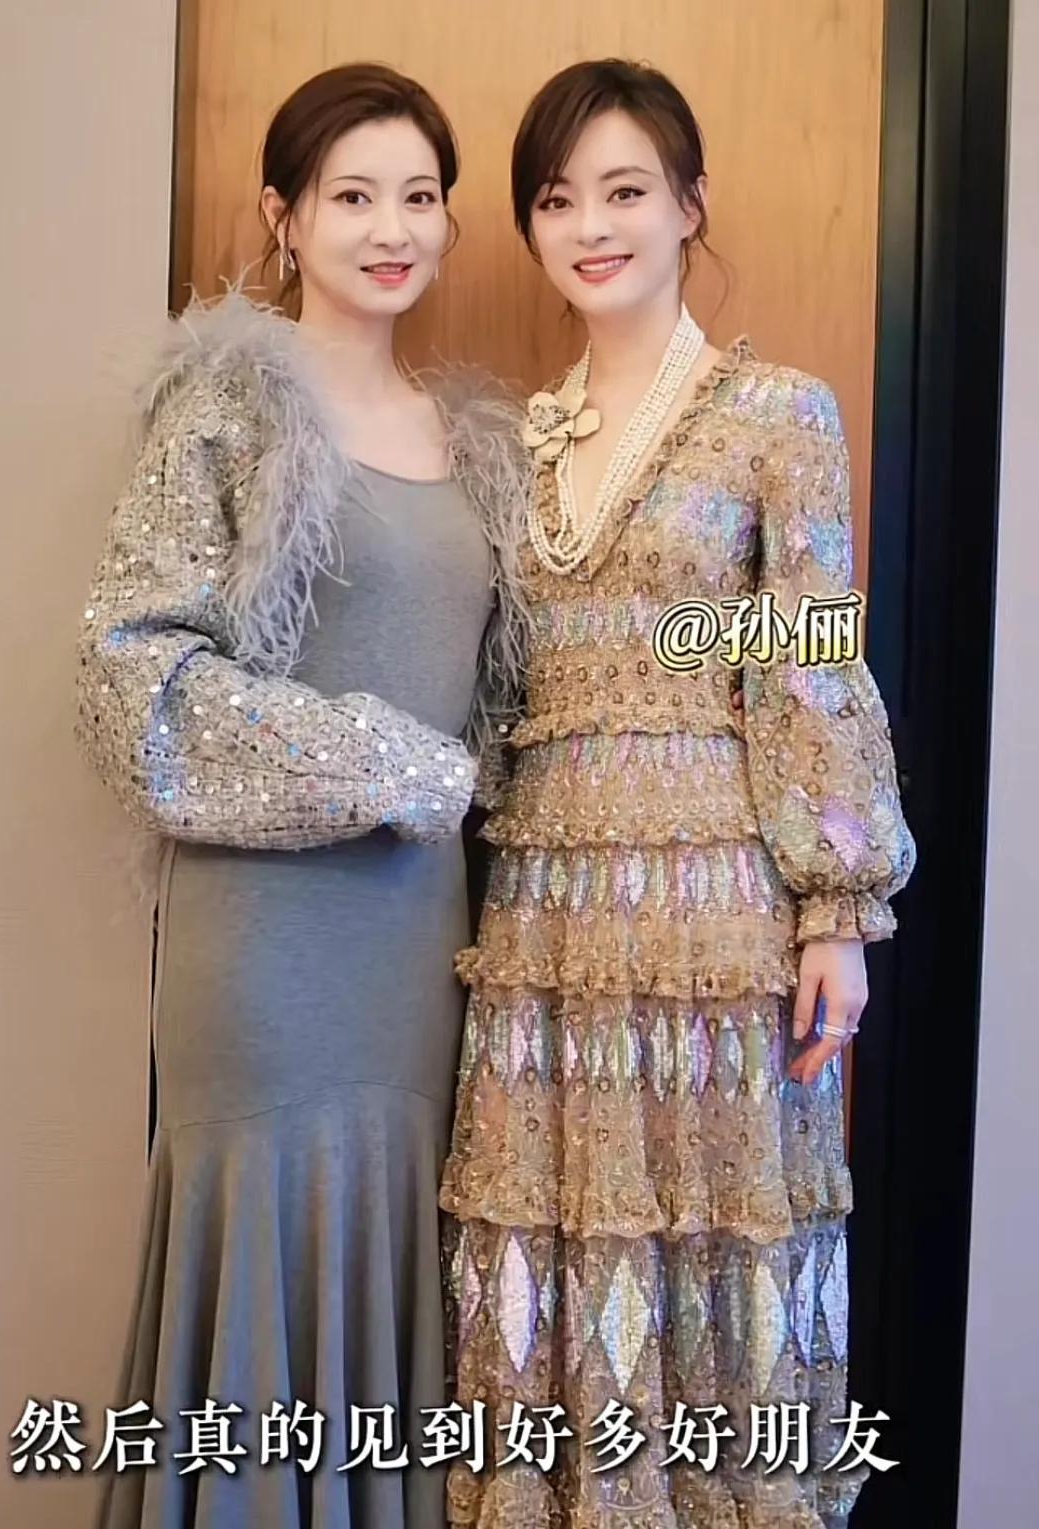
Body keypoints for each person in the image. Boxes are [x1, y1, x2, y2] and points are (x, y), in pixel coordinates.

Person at [439, 58, 916, 1529]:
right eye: (556, 197)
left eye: (626, 190)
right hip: (540, 921)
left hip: (715, 909)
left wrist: (834, 910)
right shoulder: (511, 445)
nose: (590, 225)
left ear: (690, 206)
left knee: (716, 1257)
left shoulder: (775, 414)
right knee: (549, 1262)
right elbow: (492, 686)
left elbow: (802, 660)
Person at [76, 63, 529, 1529]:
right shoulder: (234, 401)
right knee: (276, 1265)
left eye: (419, 197)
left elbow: (541, 688)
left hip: (426, 956)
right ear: (283, 215)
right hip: (272, 954)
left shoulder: (479, 444)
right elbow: (131, 679)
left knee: (395, 1267)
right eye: (353, 197)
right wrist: (393, 764)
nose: (392, 229)